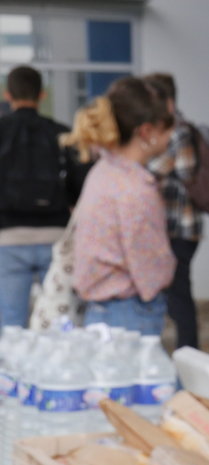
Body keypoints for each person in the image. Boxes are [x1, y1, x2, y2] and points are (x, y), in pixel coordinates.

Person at [64, 77, 176, 335]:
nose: (172, 136)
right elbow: (149, 267)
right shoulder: (135, 189)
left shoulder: (103, 171)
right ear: (147, 132)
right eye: (167, 128)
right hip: (128, 313)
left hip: (104, 310)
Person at [0, 65, 90, 327]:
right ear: (42, 94)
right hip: (56, 237)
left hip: (7, 238)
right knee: (60, 321)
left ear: (7, 95)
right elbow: (82, 185)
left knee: (11, 322)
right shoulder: (61, 134)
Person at [144, 73, 202, 349]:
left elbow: (180, 172)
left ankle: (188, 354)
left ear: (166, 102)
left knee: (179, 297)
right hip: (167, 229)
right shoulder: (161, 131)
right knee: (173, 296)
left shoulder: (179, 132)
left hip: (180, 228)